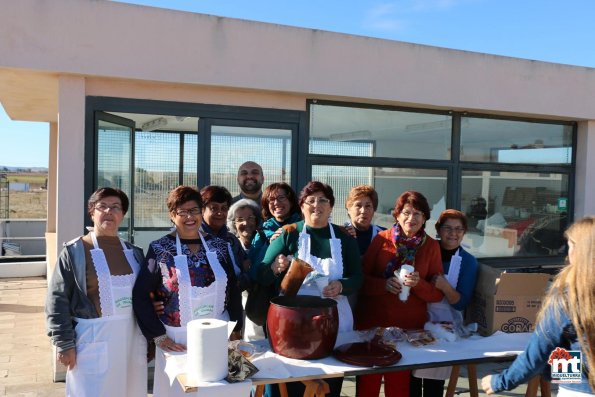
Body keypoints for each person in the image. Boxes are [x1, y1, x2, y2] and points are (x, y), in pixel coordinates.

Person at [254, 181, 363, 397]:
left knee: (329, 385)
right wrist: (277, 267)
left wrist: (342, 285)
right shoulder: (289, 233)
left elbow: (358, 277)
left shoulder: (344, 237)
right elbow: (261, 273)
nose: (316, 205)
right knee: (293, 383)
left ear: (331, 206)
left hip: (335, 321)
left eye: (323, 200)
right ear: (302, 206)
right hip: (292, 323)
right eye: (310, 200)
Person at [132, 185, 243, 396]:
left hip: (220, 333)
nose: (189, 216)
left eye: (194, 210)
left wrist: (236, 329)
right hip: (178, 340)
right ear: (172, 216)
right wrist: (158, 336)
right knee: (182, 391)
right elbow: (140, 295)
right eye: (182, 211)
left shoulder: (219, 246)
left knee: (228, 389)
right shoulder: (160, 248)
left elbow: (233, 288)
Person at [46, 187, 147, 396]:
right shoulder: (74, 252)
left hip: (131, 341)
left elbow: (145, 298)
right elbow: (57, 300)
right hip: (93, 342)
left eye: (116, 207)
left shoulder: (135, 253)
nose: (109, 211)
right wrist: (64, 344)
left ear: (123, 214)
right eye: (103, 206)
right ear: (92, 211)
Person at [482, 216, 595, 396]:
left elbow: (536, 355)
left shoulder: (568, 298)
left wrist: (499, 382)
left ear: (581, 250)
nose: (567, 252)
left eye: (571, 244)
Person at [354, 190, 444, 397]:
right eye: (406, 212)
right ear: (397, 215)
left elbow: (437, 295)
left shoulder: (431, 246)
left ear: (424, 219)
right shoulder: (381, 240)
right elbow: (361, 281)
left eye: (418, 214)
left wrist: (419, 284)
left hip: (407, 332)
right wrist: (383, 285)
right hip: (372, 327)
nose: (411, 218)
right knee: (368, 388)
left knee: (399, 390)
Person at [411, 209, 479, 397]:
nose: (453, 233)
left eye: (458, 229)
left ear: (464, 232)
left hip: (445, 329)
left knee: (433, 383)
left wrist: (445, 287)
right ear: (438, 230)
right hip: (415, 322)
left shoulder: (468, 262)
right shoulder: (424, 251)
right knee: (412, 381)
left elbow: (461, 303)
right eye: (447, 228)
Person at [200, 185, 250, 290]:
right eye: (214, 208)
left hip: (232, 301)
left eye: (224, 208)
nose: (220, 213)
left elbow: (245, 265)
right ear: (202, 210)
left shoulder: (231, 239)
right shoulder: (193, 239)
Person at [249, 182, 302, 267]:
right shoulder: (261, 234)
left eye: (281, 198)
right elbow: (254, 270)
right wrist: (270, 245)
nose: (276, 203)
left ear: (291, 202)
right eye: (271, 199)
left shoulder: (303, 229)